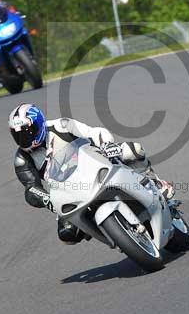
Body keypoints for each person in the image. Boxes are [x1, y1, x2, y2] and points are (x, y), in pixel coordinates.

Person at [9, 103, 175, 244]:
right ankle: (117, 237)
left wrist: (107, 145)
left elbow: (94, 132)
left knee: (133, 150)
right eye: (18, 135)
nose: (24, 138)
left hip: (95, 164)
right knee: (67, 234)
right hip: (69, 191)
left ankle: (155, 181)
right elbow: (31, 188)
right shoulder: (22, 159)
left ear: (39, 123)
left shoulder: (61, 125)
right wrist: (46, 199)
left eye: (27, 131)